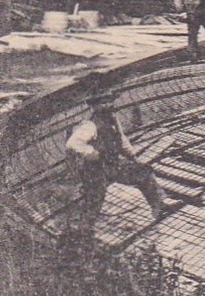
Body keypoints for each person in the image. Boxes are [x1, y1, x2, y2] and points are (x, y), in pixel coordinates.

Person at [62, 90, 170, 249]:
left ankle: (159, 206)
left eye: (109, 101)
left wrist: (132, 156)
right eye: (102, 103)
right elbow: (72, 144)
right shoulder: (89, 125)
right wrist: (93, 154)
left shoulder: (113, 119)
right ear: (95, 106)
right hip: (95, 168)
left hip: (113, 163)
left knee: (143, 172)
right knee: (95, 199)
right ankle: (83, 233)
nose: (107, 105)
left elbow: (121, 138)